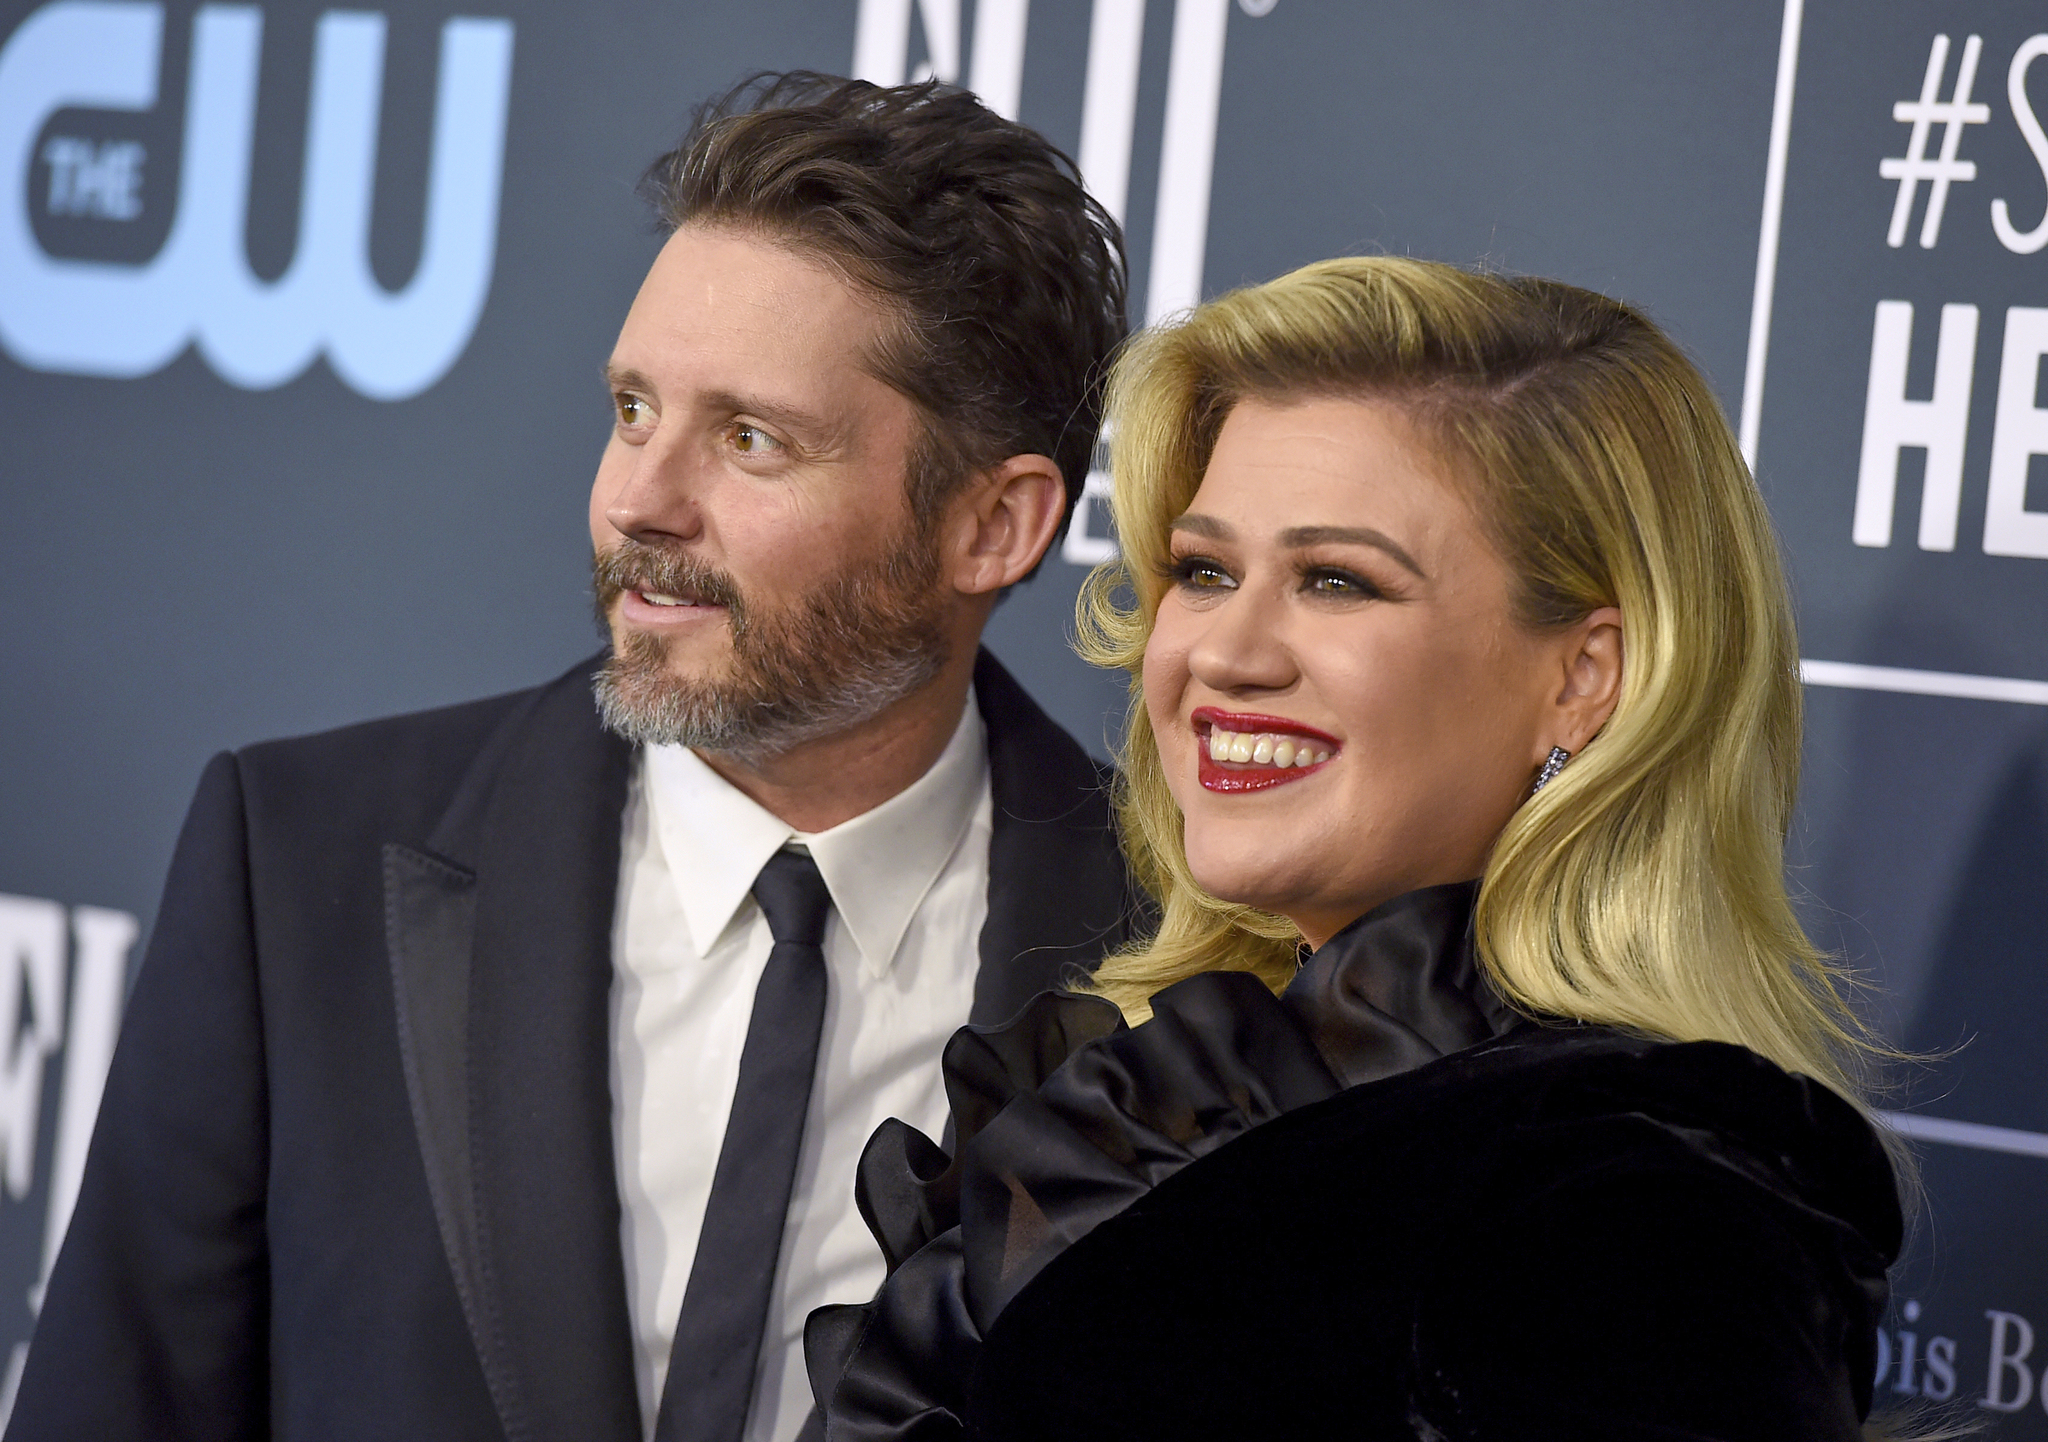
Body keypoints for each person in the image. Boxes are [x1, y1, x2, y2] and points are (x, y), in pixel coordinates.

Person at [10, 74, 1138, 1442]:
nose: (637, 502)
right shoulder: (297, 857)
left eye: (749, 438)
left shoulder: (1176, 960)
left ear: (995, 528)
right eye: (631, 408)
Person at [807, 257, 1905, 1441]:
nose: (1225, 651)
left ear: (1585, 677)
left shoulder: (1637, 1203)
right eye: (1204, 570)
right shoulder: (1162, 1099)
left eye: (1336, 580)